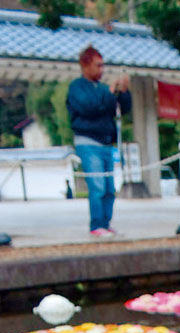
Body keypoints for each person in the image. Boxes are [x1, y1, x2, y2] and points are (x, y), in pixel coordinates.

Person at [67, 45, 131, 237]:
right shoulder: (77, 87)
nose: (101, 70)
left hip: (105, 142)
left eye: (103, 66)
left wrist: (124, 92)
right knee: (97, 186)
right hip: (88, 142)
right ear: (85, 65)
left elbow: (120, 109)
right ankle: (96, 224)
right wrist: (109, 92)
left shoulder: (103, 89)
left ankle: (105, 222)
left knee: (109, 187)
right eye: (98, 65)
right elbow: (89, 107)